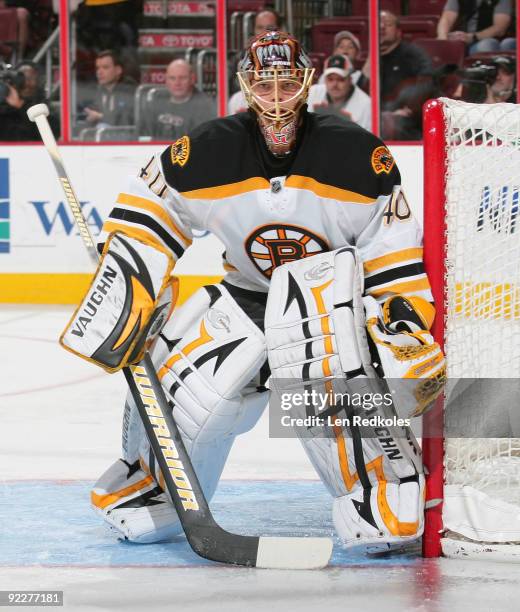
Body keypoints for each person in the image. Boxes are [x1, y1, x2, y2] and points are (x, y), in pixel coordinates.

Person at [62, 31, 443, 553]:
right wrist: (128, 287)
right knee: (193, 386)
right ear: (246, 87)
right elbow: (149, 211)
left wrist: (400, 319)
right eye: (265, 85)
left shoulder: (357, 154)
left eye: (288, 83)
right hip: (245, 298)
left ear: (307, 84)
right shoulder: (206, 150)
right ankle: (158, 490)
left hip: (328, 305)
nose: (278, 98)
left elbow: (391, 249)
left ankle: (380, 492)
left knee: (328, 373)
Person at [228, 9, 283, 114]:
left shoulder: (292, 57)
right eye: (260, 27)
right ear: (254, 30)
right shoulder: (239, 59)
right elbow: (231, 91)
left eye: (269, 28)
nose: (264, 32)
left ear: (279, 30)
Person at [144, 59, 216, 139]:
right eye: (172, 78)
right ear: (166, 80)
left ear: (192, 79)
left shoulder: (205, 106)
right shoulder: (157, 100)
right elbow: (144, 135)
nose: (177, 83)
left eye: (182, 78)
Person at [376, 11, 433, 108]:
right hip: (373, 112)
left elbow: (426, 83)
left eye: (388, 24)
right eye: (378, 24)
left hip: (403, 111)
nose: (382, 27)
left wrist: (405, 106)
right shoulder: (371, 57)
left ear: (398, 32)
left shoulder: (412, 54)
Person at [308, 54, 371, 131]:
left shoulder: (366, 104)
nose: (335, 85)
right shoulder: (312, 93)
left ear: (350, 80)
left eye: (340, 79)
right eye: (330, 79)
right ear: (324, 80)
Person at [437, 0, 515, 55]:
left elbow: (500, 28)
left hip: (484, 39)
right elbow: (447, 18)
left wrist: (473, 37)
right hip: (461, 39)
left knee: (488, 44)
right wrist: (443, 39)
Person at [83, 50, 136, 128]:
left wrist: (100, 117)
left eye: (105, 67)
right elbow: (91, 116)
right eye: (97, 68)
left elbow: (126, 120)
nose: (99, 72)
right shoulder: (99, 91)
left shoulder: (130, 90)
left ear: (118, 70)